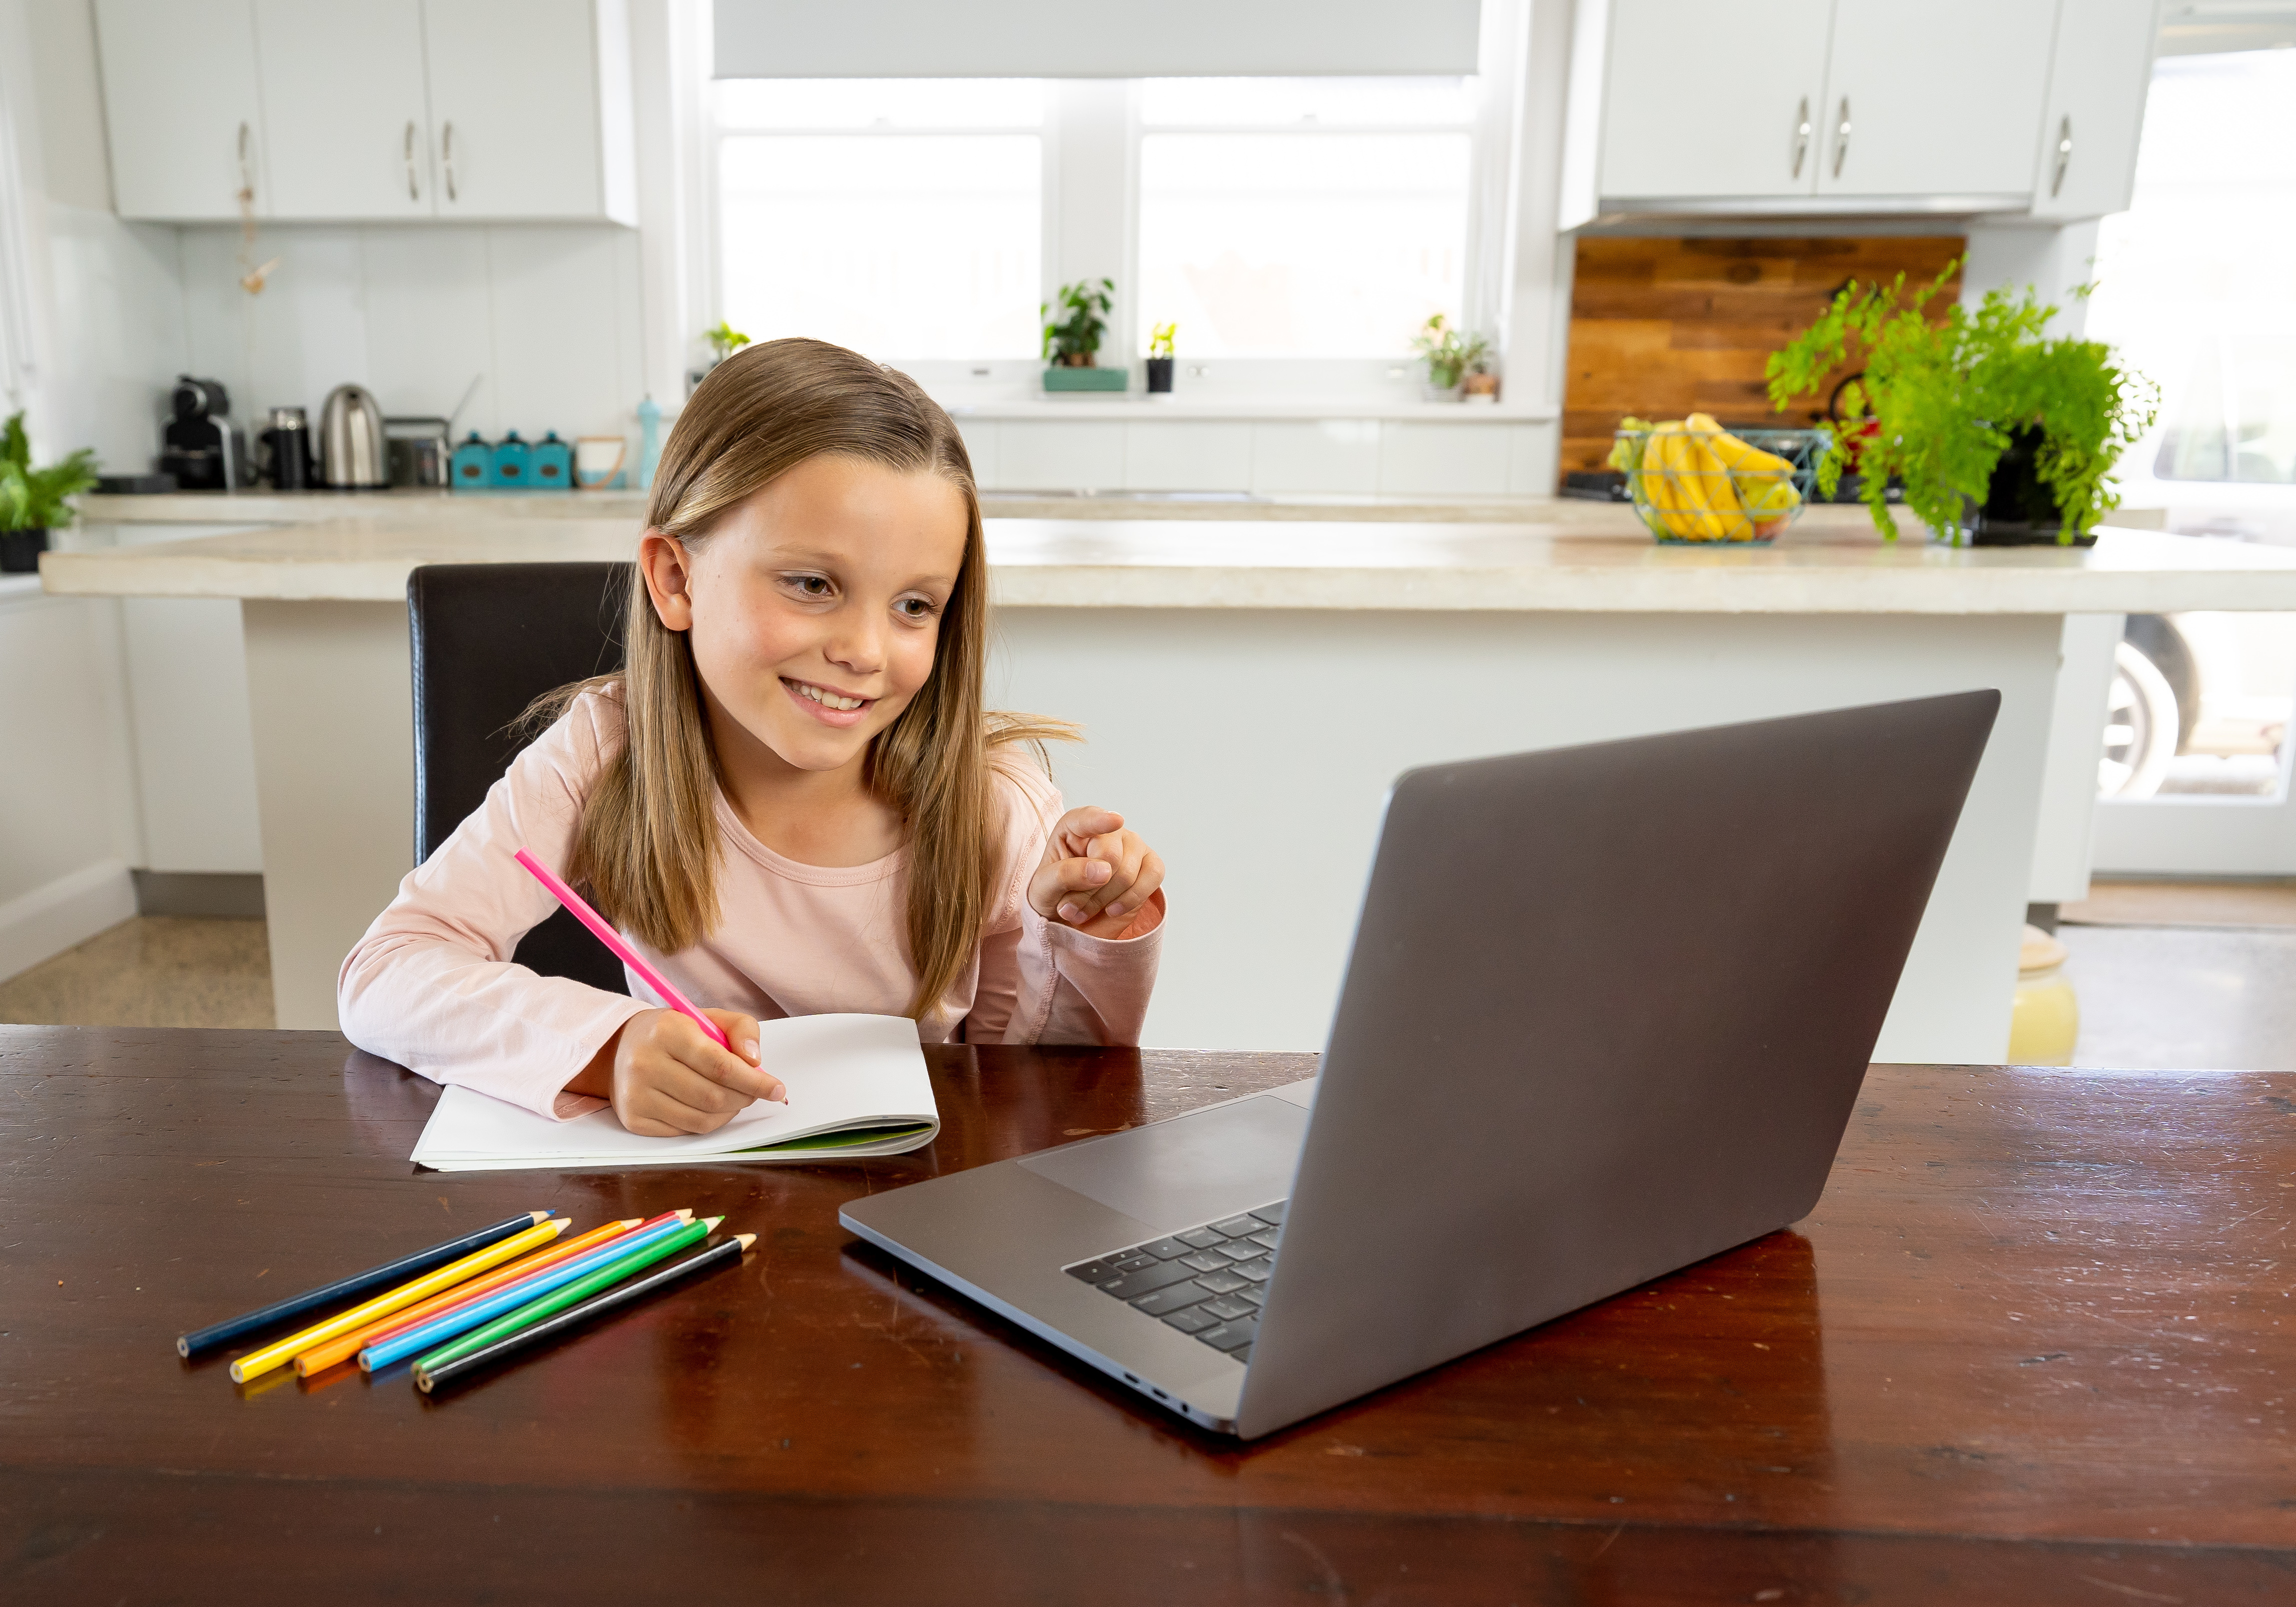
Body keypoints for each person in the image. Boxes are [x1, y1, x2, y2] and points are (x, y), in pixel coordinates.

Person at [339, 339, 1166, 1136]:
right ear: (675, 578)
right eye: (813, 584)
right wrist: (608, 1046)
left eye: (915, 605)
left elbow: (1035, 1086)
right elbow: (389, 970)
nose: (866, 652)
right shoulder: (605, 753)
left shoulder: (993, 803)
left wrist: (1089, 939)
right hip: (686, 1223)